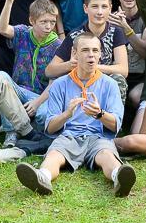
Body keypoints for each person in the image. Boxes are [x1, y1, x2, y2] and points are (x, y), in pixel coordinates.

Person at [13, 33, 134, 197]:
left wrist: (100, 114)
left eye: (95, 50)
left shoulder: (111, 84)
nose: (91, 55)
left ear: (100, 54)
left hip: (98, 137)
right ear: (74, 53)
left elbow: (115, 125)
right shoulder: (59, 84)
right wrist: (67, 114)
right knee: (55, 155)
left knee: (107, 155)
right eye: (85, 50)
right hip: (68, 136)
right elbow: (50, 128)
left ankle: (119, 177)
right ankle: (42, 178)